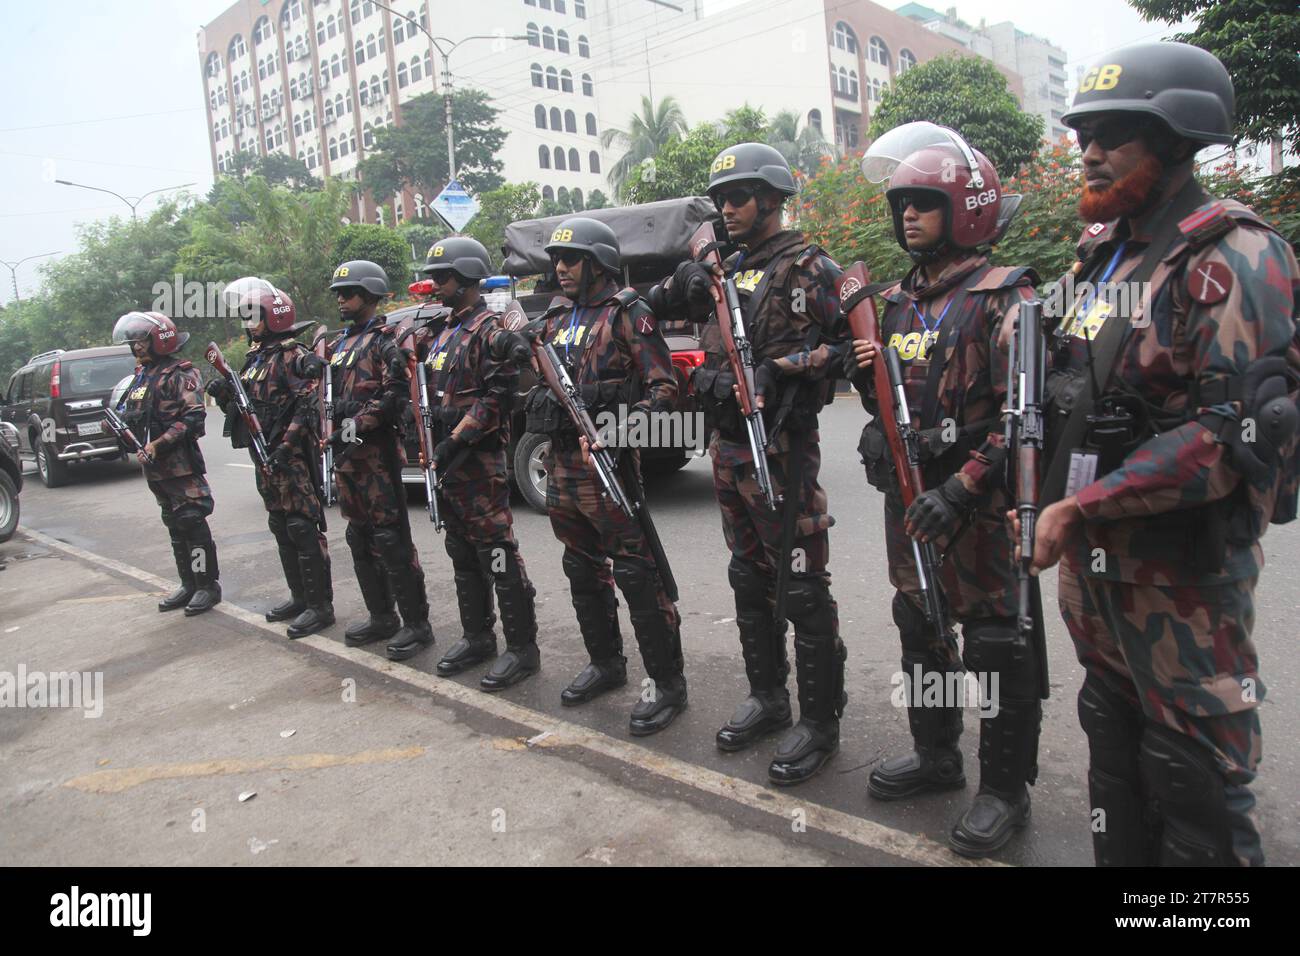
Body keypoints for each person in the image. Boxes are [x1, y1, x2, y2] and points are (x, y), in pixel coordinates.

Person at [1028, 41, 1300, 866]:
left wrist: (1079, 506)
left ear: (1179, 143)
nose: (1091, 150)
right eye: (1085, 133)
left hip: (1180, 582)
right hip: (1096, 569)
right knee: (1114, 752)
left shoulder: (1237, 255)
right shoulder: (1101, 257)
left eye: (1117, 133)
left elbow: (1230, 436)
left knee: (1197, 783)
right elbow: (1068, 393)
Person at [845, 123, 1040, 855]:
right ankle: (937, 756)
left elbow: (1024, 415)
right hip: (909, 500)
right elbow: (889, 402)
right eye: (901, 206)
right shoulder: (894, 302)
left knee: (994, 644)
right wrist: (869, 397)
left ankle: (1003, 791)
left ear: (968, 208)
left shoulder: (1003, 296)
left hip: (977, 510)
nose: (907, 217)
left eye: (923, 203)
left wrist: (960, 488)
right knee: (920, 625)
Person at [646, 143, 845, 784]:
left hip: (781, 449)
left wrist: (779, 368)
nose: (727, 207)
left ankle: (818, 722)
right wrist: (683, 281)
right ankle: (768, 696)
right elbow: (648, 308)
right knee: (747, 579)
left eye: (738, 195)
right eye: (721, 198)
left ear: (772, 198)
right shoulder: (720, 269)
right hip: (728, 449)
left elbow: (849, 347)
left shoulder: (808, 266)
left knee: (803, 588)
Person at [516, 216, 687, 735]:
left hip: (608, 464)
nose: (561, 268)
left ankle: (668, 684)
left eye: (572, 259)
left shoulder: (628, 313)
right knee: (580, 568)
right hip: (564, 464)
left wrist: (619, 430)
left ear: (599, 263)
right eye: (557, 261)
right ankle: (606, 664)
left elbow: (665, 390)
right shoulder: (555, 318)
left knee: (636, 573)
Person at [413, 237, 540, 690]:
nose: (435, 286)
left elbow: (499, 396)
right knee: (461, 553)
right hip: (446, 464)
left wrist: (457, 438)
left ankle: (522, 649)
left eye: (443, 278)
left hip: (477, 462)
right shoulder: (441, 331)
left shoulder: (490, 330)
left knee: (497, 555)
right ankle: (477, 637)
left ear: (466, 278)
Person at [307, 260, 433, 661]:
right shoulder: (339, 344)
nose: (341, 300)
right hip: (345, 459)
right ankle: (381, 616)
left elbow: (395, 394)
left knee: (391, 539)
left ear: (371, 295)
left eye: (349, 293)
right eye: (339, 294)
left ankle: (416, 624)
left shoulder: (385, 340)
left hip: (376, 456)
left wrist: (352, 428)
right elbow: (324, 398)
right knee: (358, 538)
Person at [206, 278, 333, 638]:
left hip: (288, 458)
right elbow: (248, 409)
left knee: (302, 527)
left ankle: (320, 606)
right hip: (264, 458)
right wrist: (224, 394)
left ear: (274, 317)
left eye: (254, 316)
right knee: (280, 525)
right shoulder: (255, 359)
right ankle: (299, 597)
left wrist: (284, 447)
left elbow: (306, 407)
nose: (249, 323)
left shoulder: (293, 356)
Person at [112, 311, 221, 616]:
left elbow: (193, 419)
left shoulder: (180, 373)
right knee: (174, 525)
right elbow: (135, 417)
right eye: (132, 343)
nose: (136, 348)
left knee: (191, 522)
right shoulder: (141, 376)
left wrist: (159, 444)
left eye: (141, 342)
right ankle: (188, 583)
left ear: (159, 339)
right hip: (155, 469)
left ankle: (206, 585)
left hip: (180, 465)